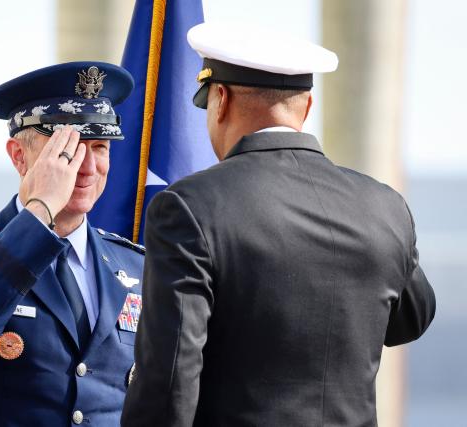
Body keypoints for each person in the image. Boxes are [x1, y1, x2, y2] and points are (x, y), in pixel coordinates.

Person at [121, 23, 436, 427]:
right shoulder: (385, 206)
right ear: (306, 108)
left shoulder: (188, 206)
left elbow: (168, 384)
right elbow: (412, 319)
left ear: (219, 99)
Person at [0, 61, 145, 427]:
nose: (86, 167)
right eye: (67, 150)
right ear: (19, 156)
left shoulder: (135, 265)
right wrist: (40, 212)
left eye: (99, 147)